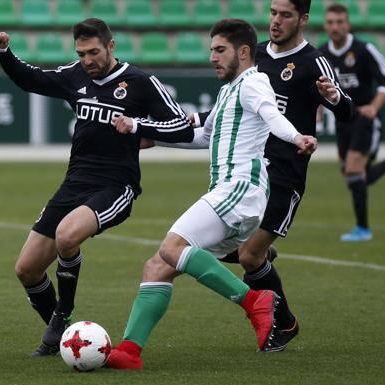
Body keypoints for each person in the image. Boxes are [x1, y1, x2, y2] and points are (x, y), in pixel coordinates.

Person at [104, 19, 318, 369]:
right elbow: (203, 137)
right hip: (233, 194)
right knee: (158, 267)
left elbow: (271, 114)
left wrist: (296, 138)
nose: (212, 57)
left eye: (220, 50)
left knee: (171, 247)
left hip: (240, 188)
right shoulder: (229, 91)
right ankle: (129, 351)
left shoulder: (253, 83)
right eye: (211, 50)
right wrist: (146, 133)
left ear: (244, 52)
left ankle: (255, 302)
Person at [0, 18, 194, 356]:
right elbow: (32, 79)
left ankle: (62, 314)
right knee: (26, 269)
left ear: (111, 47)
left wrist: (137, 124)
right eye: (81, 53)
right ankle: (69, 338)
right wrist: (3, 52)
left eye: (94, 52)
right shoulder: (76, 75)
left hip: (116, 186)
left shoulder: (140, 82)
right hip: (74, 183)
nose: (87, 60)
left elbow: (181, 127)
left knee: (67, 236)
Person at [192, 0, 354, 349]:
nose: (276, 21)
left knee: (249, 255)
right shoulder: (256, 56)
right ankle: (266, 271)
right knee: (223, 248)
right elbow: (230, 103)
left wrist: (335, 98)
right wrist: (181, 125)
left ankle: (285, 323)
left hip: (285, 173)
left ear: (303, 19)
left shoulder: (313, 62)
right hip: (249, 172)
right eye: (273, 13)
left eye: (285, 15)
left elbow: (347, 111)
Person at [319, 3, 385, 242]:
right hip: (343, 121)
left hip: (364, 119)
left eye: (339, 22)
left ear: (348, 24)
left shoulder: (364, 50)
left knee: (354, 170)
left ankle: (363, 229)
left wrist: (374, 107)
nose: (335, 27)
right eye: (331, 22)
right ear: (325, 25)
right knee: (353, 177)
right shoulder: (321, 54)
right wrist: (319, 109)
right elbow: (318, 88)